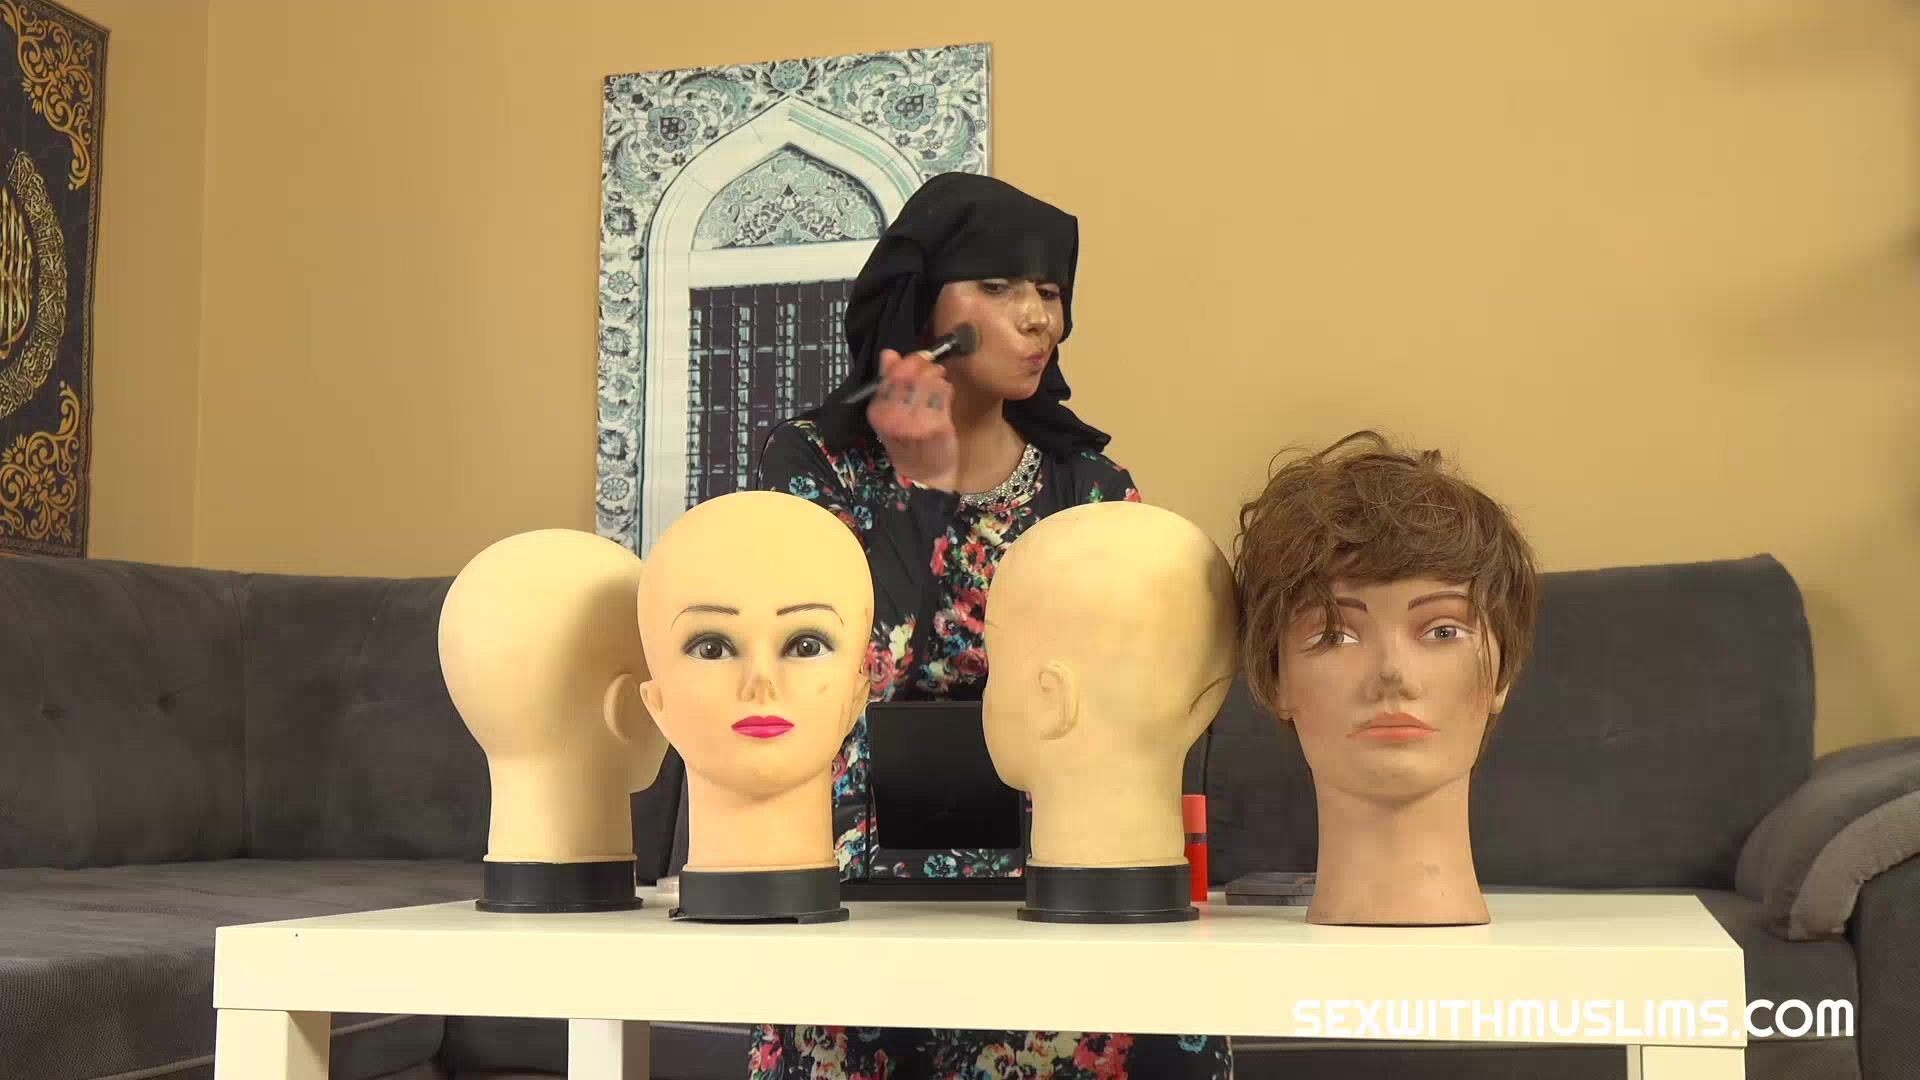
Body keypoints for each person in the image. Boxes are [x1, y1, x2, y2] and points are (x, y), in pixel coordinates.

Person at [749, 172, 1232, 1079]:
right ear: (923, 305)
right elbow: (857, 667)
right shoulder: (816, 462)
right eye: (999, 286)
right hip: (857, 877)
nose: (1038, 318)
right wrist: (923, 486)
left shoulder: (1089, 487)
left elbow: (1126, 706)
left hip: (1066, 870)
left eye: (1050, 291)